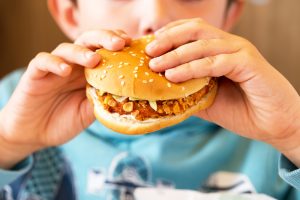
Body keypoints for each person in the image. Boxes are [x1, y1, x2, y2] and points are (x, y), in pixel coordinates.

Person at [0, 0, 299, 199]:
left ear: (229, 14)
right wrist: (9, 145)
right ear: (70, 12)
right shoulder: (16, 102)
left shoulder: (276, 115)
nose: (154, 17)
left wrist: (293, 137)